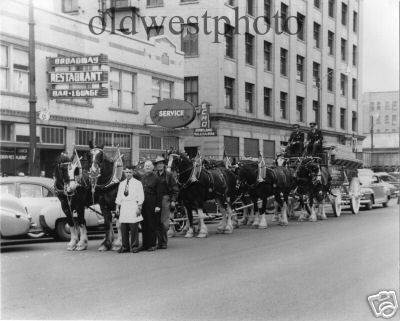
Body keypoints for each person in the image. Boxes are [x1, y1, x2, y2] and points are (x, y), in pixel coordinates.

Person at [115, 166, 144, 253]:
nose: (128, 174)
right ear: (124, 173)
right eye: (126, 172)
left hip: (133, 205)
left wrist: (139, 207)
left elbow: (141, 196)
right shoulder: (122, 183)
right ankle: (125, 247)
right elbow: (119, 196)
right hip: (124, 207)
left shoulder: (138, 183)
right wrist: (117, 207)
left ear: (133, 173)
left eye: (130, 172)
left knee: (134, 228)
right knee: (124, 228)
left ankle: (134, 246)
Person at [154, 156, 179, 249]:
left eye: (161, 163)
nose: (159, 165)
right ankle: (158, 242)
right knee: (156, 222)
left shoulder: (169, 175)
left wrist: (173, 201)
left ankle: (164, 242)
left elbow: (175, 189)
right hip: (156, 200)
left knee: (164, 222)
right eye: (157, 164)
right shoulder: (154, 175)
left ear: (164, 164)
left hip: (165, 199)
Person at [140, 160, 162, 252]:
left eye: (149, 165)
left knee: (151, 224)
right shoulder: (142, 177)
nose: (147, 167)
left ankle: (152, 244)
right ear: (144, 168)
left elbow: (159, 193)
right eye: (146, 166)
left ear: (153, 167)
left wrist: (158, 206)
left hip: (152, 203)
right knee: (144, 224)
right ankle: (145, 244)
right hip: (143, 203)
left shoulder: (156, 178)